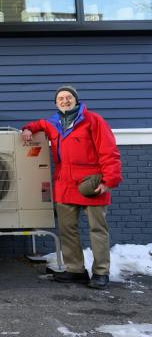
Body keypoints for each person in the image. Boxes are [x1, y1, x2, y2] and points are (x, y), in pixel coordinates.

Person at [21, 85, 122, 289]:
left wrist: (108, 181)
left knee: (97, 230)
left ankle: (101, 272)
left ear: (76, 100)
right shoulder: (53, 123)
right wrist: (27, 129)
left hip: (91, 183)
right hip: (64, 185)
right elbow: (36, 124)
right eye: (60, 98)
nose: (64, 100)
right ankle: (75, 270)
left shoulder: (93, 120)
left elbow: (109, 151)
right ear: (56, 103)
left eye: (68, 97)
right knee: (68, 230)